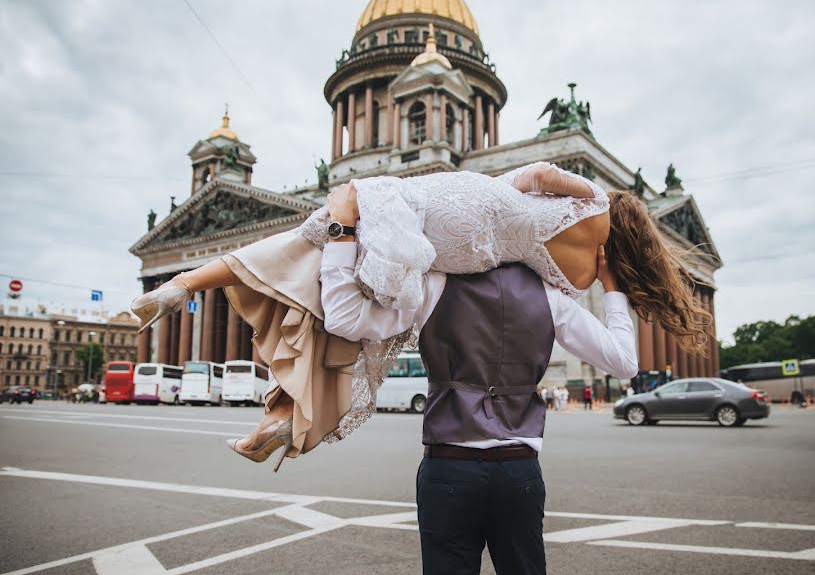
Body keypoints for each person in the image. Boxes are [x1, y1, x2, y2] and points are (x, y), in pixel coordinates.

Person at [131, 163, 710, 465]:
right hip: (456, 262)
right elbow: (617, 354)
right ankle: (287, 416)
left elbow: (531, 179)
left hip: (448, 212)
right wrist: (614, 290)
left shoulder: (589, 198)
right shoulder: (575, 279)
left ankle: (181, 285)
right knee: (352, 318)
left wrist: (483, 187)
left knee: (298, 255)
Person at [316, 183, 638, 575]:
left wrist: (342, 231)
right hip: (519, 472)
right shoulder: (551, 298)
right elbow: (625, 363)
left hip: (449, 469)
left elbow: (344, 318)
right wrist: (611, 286)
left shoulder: (432, 285)